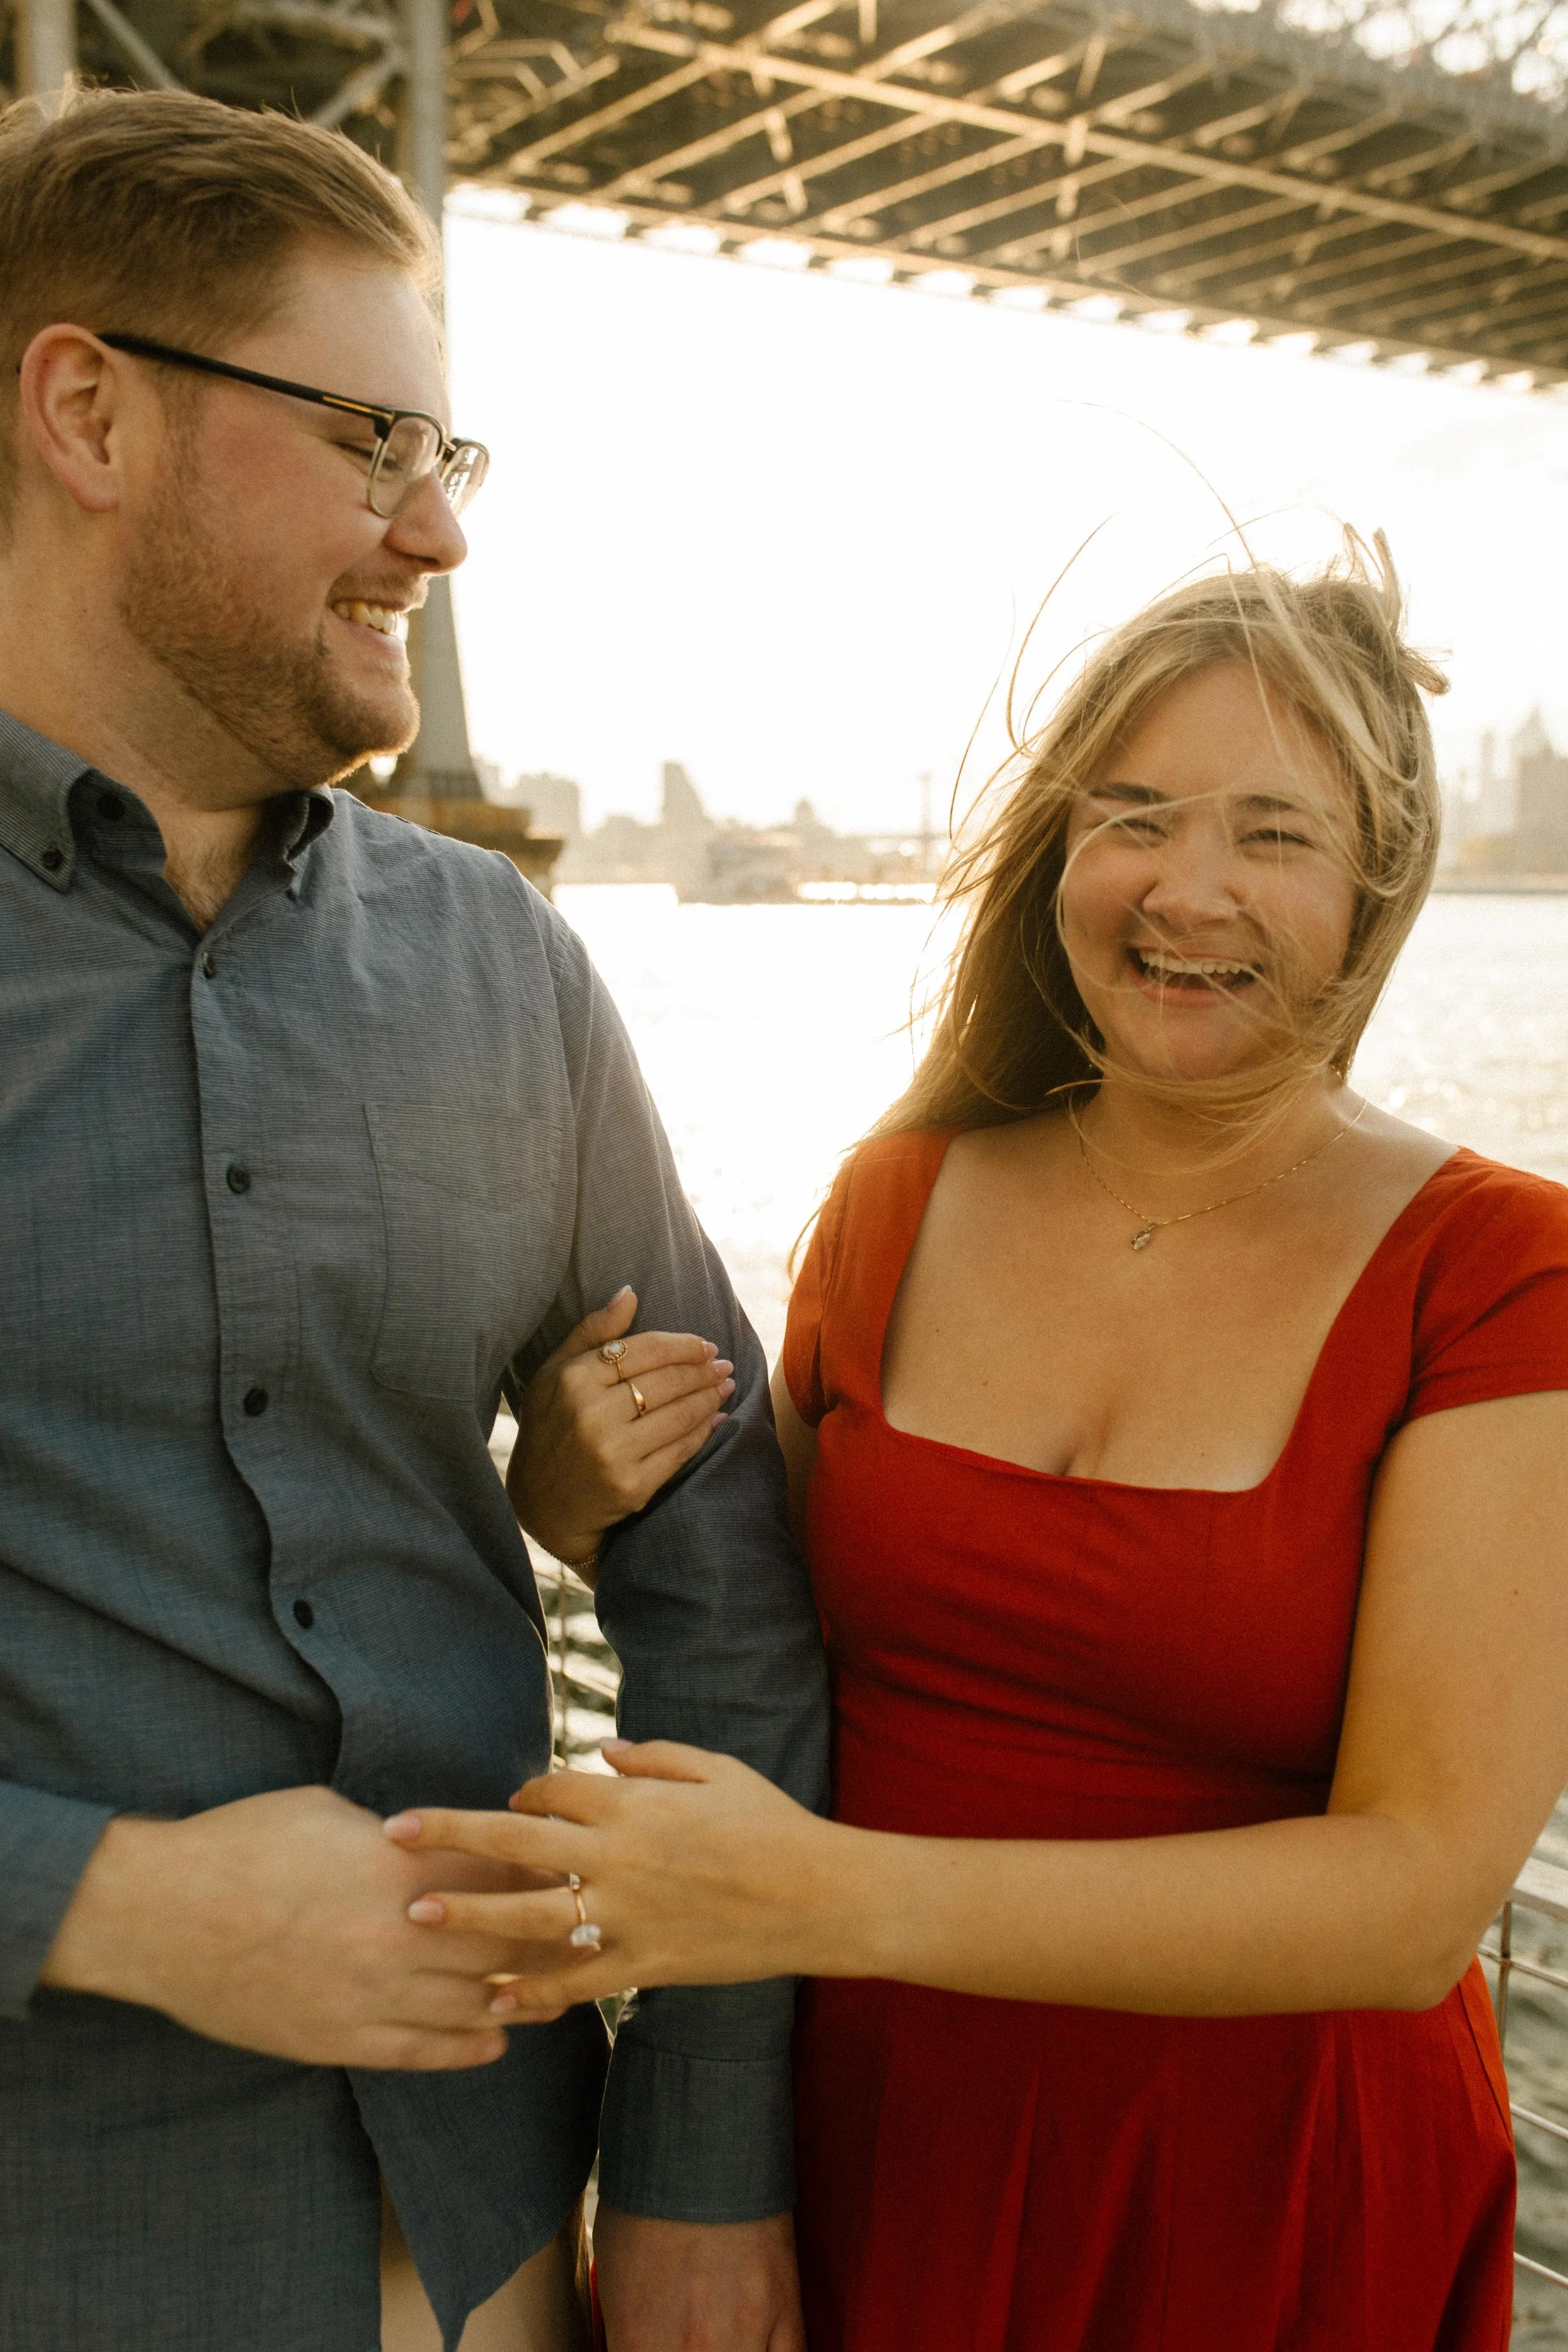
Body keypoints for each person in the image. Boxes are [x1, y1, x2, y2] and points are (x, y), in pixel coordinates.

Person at [397, 541, 1568, 2352]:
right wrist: (569, 1501)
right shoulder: (894, 1196)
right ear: (1058, 857)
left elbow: (1410, 1898)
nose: (1188, 888)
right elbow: (762, 1617)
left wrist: (823, 1891)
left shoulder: (1497, 1271)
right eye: (1135, 815)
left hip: (1252, 2188)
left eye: (1271, 832)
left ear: (1375, 882)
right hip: (872, 2138)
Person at [0, 85, 827, 2352]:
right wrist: (96, 1900)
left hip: (491, 2254)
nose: (438, 536)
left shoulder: (507, 967)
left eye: (454, 458)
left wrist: (699, 2171)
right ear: (87, 412)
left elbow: (726, 1588)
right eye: (377, 437)